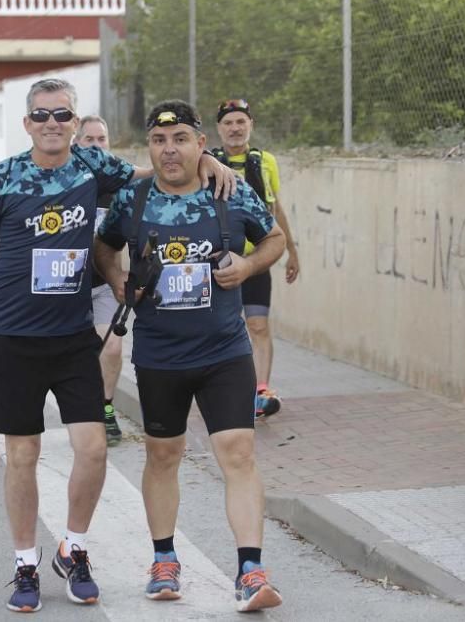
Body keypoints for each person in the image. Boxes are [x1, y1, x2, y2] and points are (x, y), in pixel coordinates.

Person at [0, 78, 234, 613]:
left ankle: (74, 548)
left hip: (71, 337)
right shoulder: (3, 177)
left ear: (74, 121)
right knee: (23, 454)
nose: (51, 125)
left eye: (62, 115)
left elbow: (151, 173)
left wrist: (210, 164)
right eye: (41, 116)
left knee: (91, 449)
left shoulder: (91, 167)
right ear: (26, 124)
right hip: (12, 337)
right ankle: (24, 564)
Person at [94, 99, 285, 612]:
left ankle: (250, 570)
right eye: (159, 141)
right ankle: (164, 559)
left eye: (180, 138)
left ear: (202, 144)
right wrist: (117, 282)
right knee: (163, 454)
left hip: (224, 350)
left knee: (239, 453)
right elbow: (104, 246)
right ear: (149, 148)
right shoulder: (132, 200)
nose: (169, 149)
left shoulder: (230, 190)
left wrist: (246, 269)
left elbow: (274, 238)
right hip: (160, 353)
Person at [212, 99, 300, 418]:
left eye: (240, 122)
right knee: (222, 326)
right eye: (228, 123)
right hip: (219, 262)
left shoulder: (266, 162)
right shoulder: (207, 162)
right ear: (218, 129)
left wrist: (291, 250)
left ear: (251, 124)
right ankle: (226, 388)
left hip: (257, 259)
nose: (235, 128)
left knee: (258, 324)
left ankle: (261, 389)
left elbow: (275, 210)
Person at [74, 115, 124, 446]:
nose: (95, 145)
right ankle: (82, 411)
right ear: (77, 144)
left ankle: (105, 408)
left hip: (105, 284)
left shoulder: (119, 184)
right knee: (79, 355)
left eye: (101, 139)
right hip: (68, 289)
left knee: (113, 347)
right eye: (89, 139)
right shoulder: (67, 183)